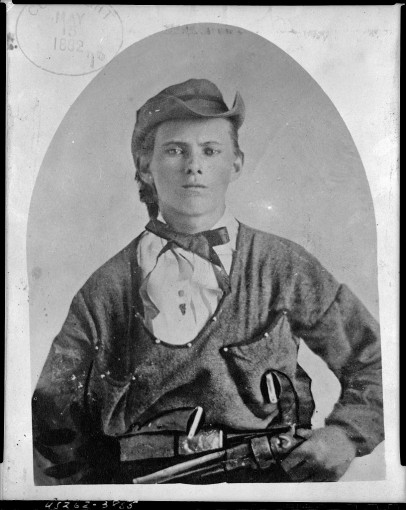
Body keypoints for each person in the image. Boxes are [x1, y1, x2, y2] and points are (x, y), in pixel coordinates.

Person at [32, 79, 384, 485]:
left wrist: (345, 435)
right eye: (174, 150)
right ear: (145, 167)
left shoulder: (282, 266)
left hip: (265, 485)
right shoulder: (106, 289)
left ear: (236, 163)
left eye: (210, 151)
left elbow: (376, 360)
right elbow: (52, 413)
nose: (193, 166)